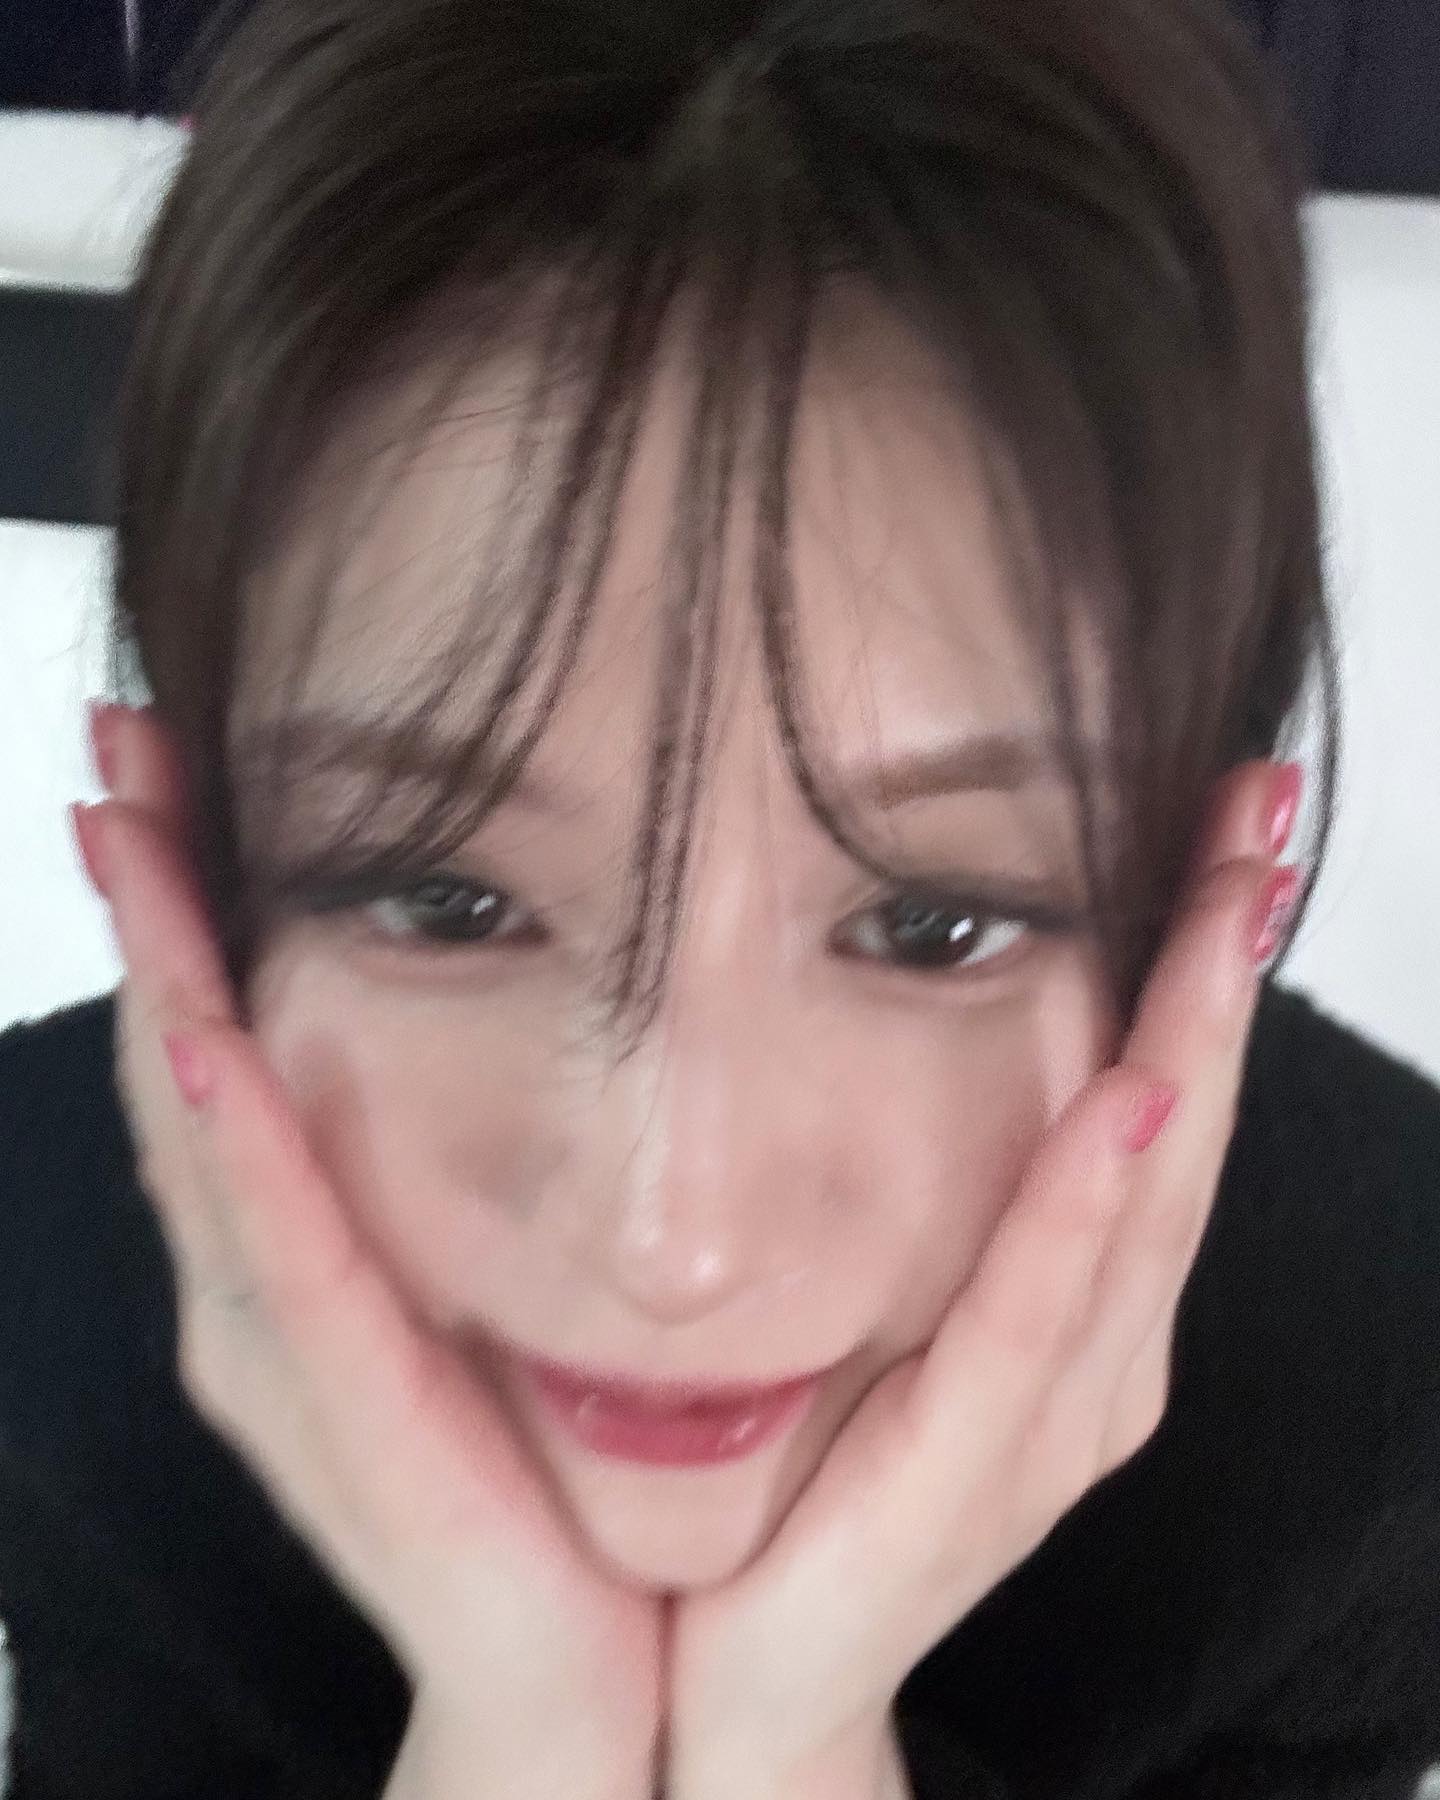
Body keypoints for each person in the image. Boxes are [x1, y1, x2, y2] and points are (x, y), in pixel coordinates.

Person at [2, 0, 1438, 1794]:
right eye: (445, 900)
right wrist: (520, 1736)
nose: (670, 1240)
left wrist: (797, 1746)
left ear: (1187, 902)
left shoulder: (1386, 1361)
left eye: (931, 922)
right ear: (207, 850)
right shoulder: (51, 1265)